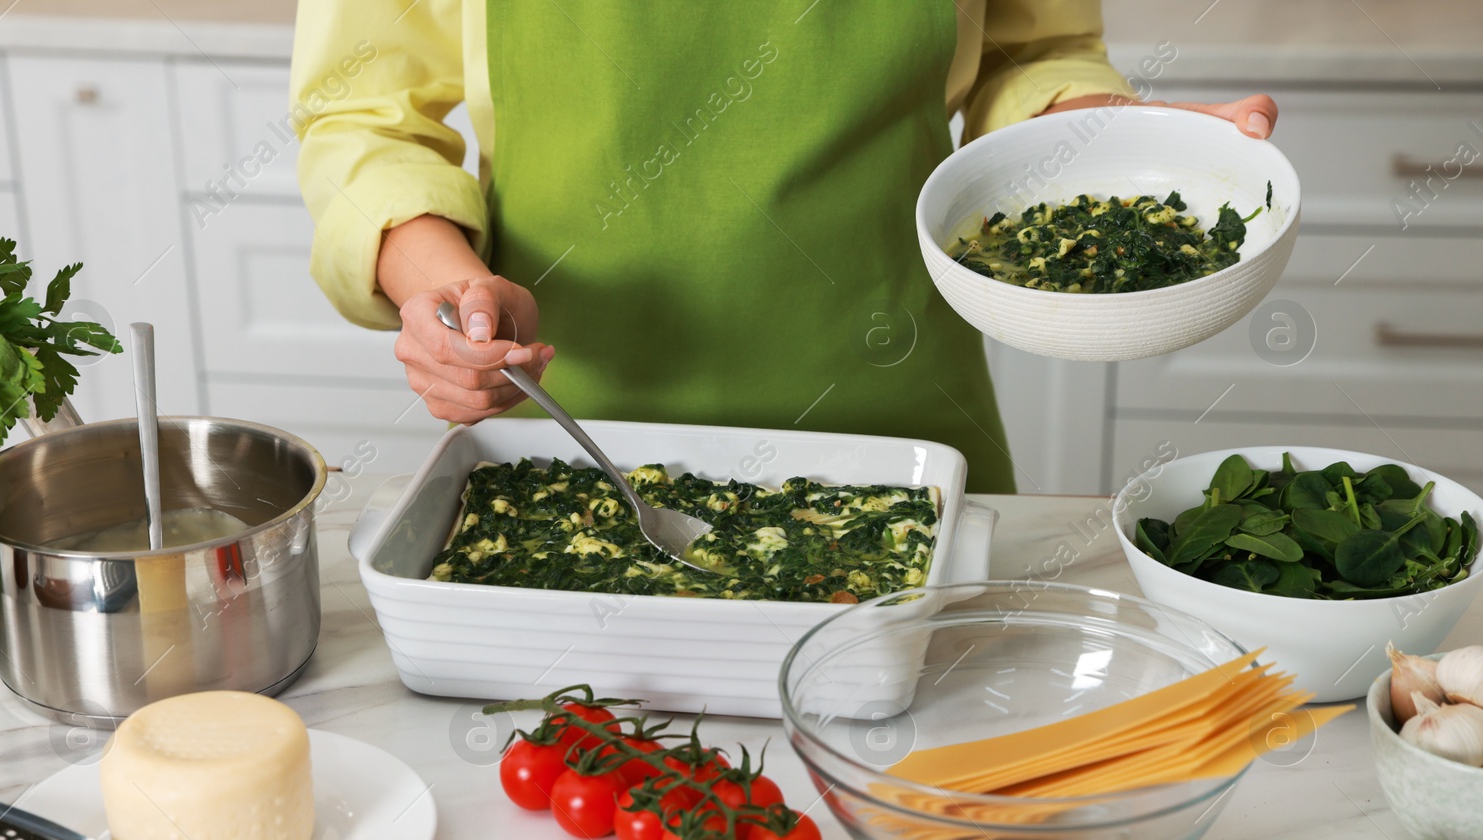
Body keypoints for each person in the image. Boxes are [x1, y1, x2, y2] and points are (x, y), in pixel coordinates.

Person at [290, 1, 1277, 492]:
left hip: (900, 416)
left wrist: (1109, 139)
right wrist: (445, 284)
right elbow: (363, 112)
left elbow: (1028, 50)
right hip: (568, 413)